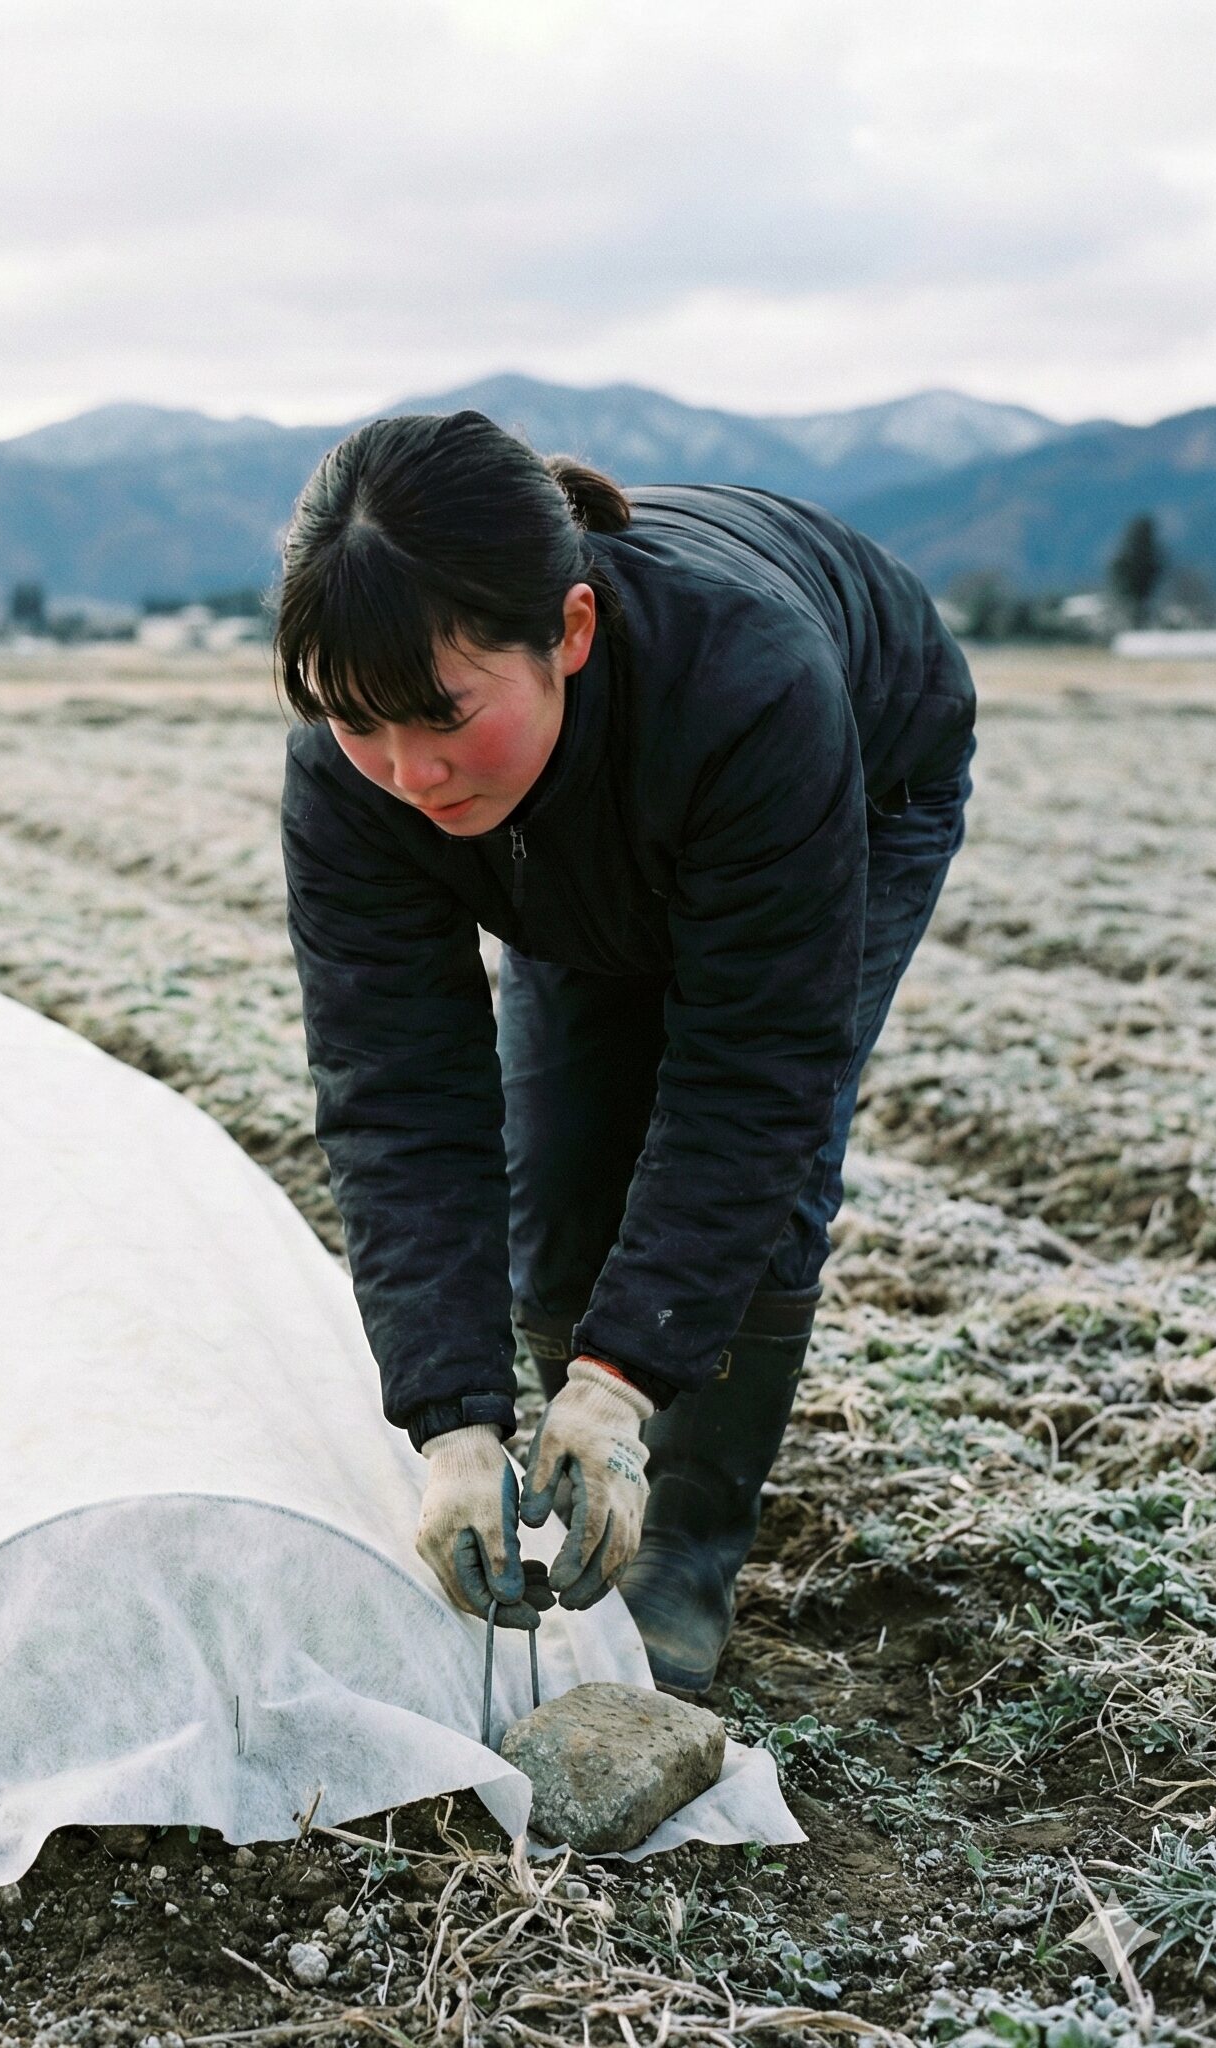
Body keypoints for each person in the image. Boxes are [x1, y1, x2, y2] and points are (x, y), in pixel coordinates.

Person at [275, 411, 975, 1695]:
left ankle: (683, 1541)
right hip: (564, 822)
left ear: (571, 630)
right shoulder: (351, 774)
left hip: (855, 779)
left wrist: (621, 1379)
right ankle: (572, 1485)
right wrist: (448, 1418)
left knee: (764, 1160)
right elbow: (398, 1094)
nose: (410, 771)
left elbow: (750, 1076)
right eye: (358, 721)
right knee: (559, 1162)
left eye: (439, 714)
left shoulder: (750, 683)